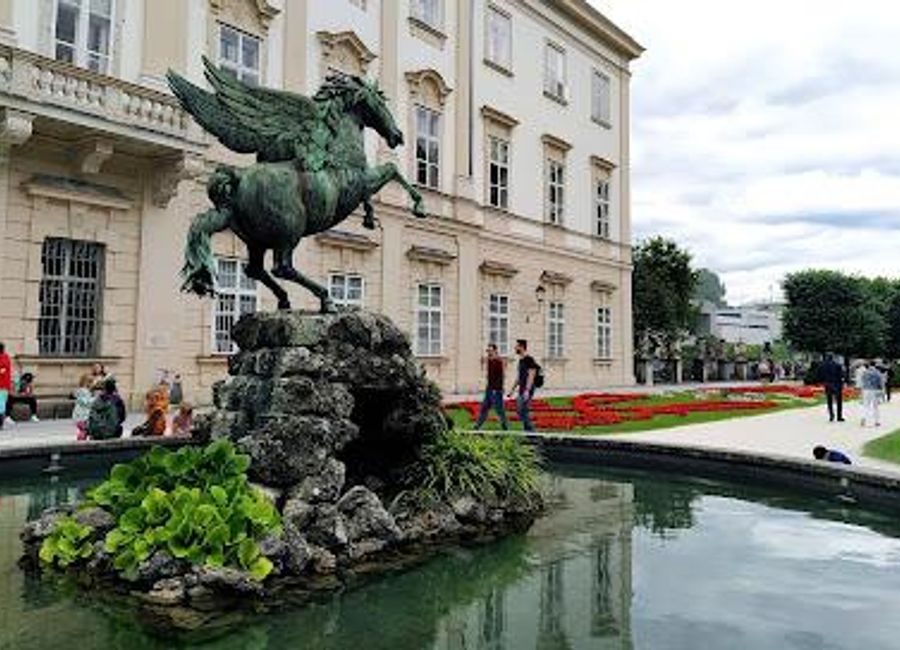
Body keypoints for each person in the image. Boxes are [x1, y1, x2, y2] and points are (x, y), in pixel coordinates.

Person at [473, 344, 509, 430]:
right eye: (488, 351)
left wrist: (497, 389)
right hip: (489, 388)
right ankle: (477, 426)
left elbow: (502, 376)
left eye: (490, 350)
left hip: (496, 389)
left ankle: (505, 427)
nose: (488, 352)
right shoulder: (489, 361)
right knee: (484, 408)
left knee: (499, 409)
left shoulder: (499, 361)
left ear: (495, 351)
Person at [508, 339, 538, 432]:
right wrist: (512, 390)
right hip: (522, 388)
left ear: (521, 347)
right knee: (521, 410)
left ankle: (531, 432)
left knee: (522, 410)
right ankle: (529, 431)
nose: (515, 348)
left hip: (527, 389)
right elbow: (519, 377)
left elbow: (532, 374)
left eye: (516, 346)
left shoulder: (529, 359)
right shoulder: (521, 360)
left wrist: (527, 390)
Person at [820, 353, 845, 423]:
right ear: (833, 358)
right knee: (839, 401)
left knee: (829, 401)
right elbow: (841, 375)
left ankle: (831, 416)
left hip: (828, 384)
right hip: (837, 384)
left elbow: (821, 375)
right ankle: (839, 416)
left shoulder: (823, 366)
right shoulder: (837, 365)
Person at [860, 361, 885, 428]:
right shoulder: (877, 373)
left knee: (865, 405)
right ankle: (876, 421)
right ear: (875, 365)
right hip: (874, 390)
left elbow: (862, 380)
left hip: (865, 390)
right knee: (875, 407)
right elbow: (880, 383)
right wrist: (882, 391)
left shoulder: (865, 372)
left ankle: (864, 419)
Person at [72, 373, 95, 440]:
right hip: (82, 416)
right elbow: (85, 402)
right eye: (92, 383)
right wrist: (94, 399)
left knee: (84, 430)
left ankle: (81, 440)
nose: (93, 385)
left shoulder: (84, 391)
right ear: (87, 383)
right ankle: (81, 441)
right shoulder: (83, 391)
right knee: (84, 430)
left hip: (81, 416)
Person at [0, 342, 11, 430]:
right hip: (4, 386)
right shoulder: (6, 357)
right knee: (1, 405)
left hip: (2, 386)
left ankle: (1, 424)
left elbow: (2, 371)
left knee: (1, 405)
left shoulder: (4, 358)